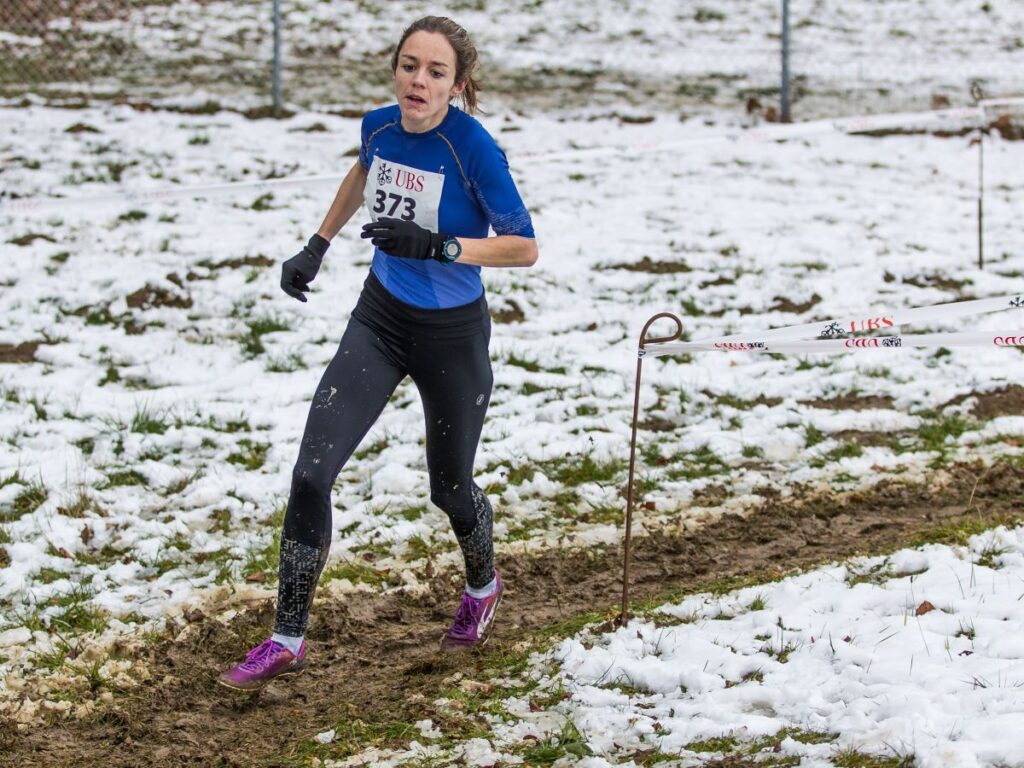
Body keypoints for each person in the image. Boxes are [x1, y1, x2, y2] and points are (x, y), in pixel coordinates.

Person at [219, 16, 538, 692]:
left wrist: (443, 246)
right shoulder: (379, 126)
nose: (417, 81)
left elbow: (522, 246)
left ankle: (483, 586)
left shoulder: (473, 150)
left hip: (452, 335)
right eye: (408, 65)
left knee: (449, 489)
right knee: (311, 474)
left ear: (458, 83)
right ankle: (286, 637)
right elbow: (364, 170)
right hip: (381, 318)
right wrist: (318, 242)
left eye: (435, 72)